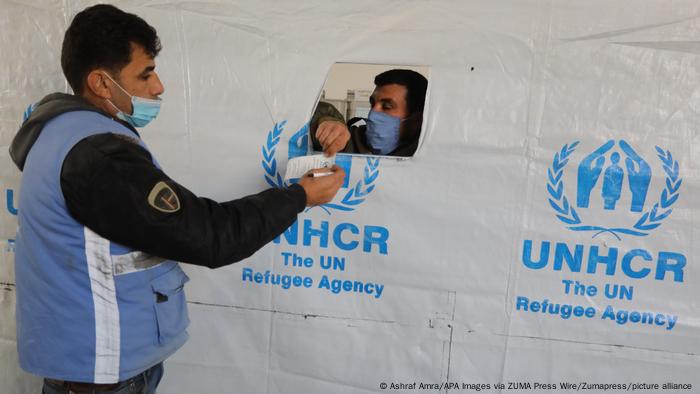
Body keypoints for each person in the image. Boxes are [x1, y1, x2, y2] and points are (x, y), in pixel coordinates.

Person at [9, 4, 344, 393]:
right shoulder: (100, 158)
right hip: (104, 372)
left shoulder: (61, 131)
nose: (158, 87)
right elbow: (209, 235)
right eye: (145, 74)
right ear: (101, 83)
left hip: (91, 365)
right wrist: (300, 197)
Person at [310, 69, 428, 157]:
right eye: (372, 103)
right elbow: (309, 113)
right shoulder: (347, 142)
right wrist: (326, 121)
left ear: (416, 121)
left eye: (386, 106)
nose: (373, 113)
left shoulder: (427, 160)